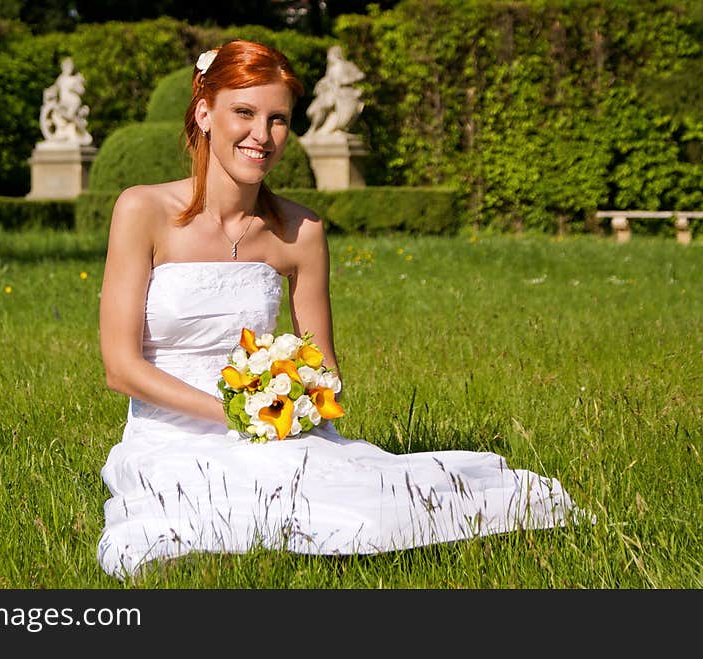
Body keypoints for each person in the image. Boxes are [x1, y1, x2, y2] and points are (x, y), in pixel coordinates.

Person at [96, 39, 582, 579]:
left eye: (278, 119)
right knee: (204, 523)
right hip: (169, 435)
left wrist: (295, 403)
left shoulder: (300, 232)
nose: (262, 135)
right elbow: (121, 368)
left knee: (366, 511)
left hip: (273, 427)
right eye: (244, 113)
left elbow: (324, 368)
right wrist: (238, 416)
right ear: (204, 112)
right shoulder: (142, 209)